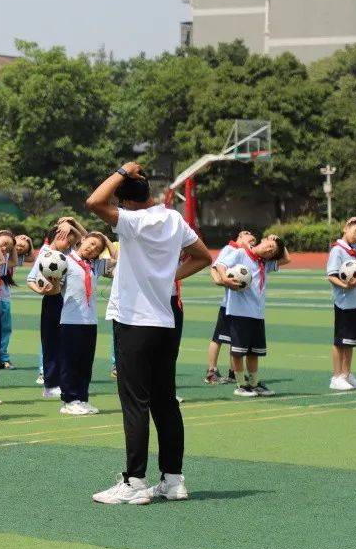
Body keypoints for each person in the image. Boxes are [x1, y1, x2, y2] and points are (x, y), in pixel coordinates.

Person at [86, 162, 211, 505]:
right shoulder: (172, 218)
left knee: (135, 403)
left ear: (124, 202)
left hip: (134, 320)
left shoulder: (131, 222)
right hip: (166, 319)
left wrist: (121, 170)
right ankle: (173, 480)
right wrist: (171, 277)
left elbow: (94, 202)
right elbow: (203, 257)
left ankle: (135, 481)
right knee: (165, 401)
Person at [214, 234, 290, 397]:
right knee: (238, 351)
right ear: (263, 240)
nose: (270, 250)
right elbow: (221, 264)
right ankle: (241, 384)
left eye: (272, 251)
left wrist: (278, 242)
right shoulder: (241, 253)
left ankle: (254, 384)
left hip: (257, 314)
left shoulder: (264, 263)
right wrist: (225, 279)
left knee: (254, 352)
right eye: (270, 245)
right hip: (239, 312)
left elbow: (286, 259)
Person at [57, 231, 117, 416]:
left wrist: (105, 239)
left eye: (97, 249)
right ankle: (69, 401)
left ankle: (82, 398)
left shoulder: (94, 266)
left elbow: (118, 259)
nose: (92, 249)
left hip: (89, 321)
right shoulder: (65, 261)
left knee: (85, 362)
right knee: (71, 362)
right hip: (70, 319)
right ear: (82, 241)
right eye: (90, 244)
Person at [26, 218, 84, 399]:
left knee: (69, 343)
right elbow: (30, 279)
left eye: (73, 240)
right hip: (53, 301)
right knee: (52, 343)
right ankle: (50, 385)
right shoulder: (46, 253)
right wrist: (41, 291)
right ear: (59, 236)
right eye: (68, 239)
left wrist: (72, 223)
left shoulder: (72, 253)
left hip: (71, 302)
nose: (72, 242)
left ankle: (65, 381)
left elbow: (86, 237)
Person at [204, 230, 257, 384]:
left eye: (254, 240)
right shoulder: (230, 249)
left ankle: (234, 372)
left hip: (238, 306)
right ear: (240, 237)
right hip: (227, 305)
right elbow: (215, 268)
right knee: (218, 338)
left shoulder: (246, 254)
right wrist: (221, 281)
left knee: (235, 339)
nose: (252, 241)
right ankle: (211, 372)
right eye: (249, 236)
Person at [326, 217, 356, 391]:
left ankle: (347, 374)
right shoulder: (338, 250)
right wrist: (346, 285)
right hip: (344, 303)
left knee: (350, 341)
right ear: (346, 228)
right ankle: (336, 377)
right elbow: (331, 275)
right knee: (340, 341)